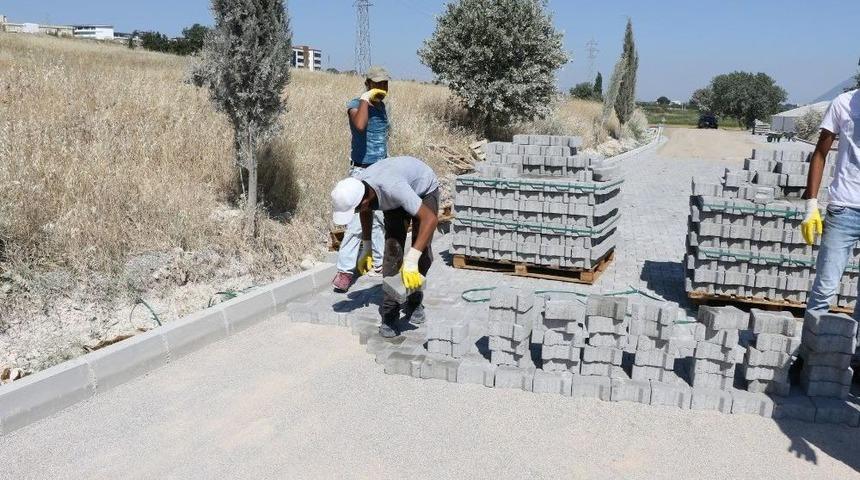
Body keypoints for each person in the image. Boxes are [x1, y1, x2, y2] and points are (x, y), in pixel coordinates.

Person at [331, 156, 439, 338]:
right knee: (392, 254)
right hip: (396, 197)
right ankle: (390, 315)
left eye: (356, 209)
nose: (358, 211)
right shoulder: (360, 188)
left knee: (422, 253)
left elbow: (430, 219)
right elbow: (365, 211)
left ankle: (414, 300)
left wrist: (412, 260)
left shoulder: (392, 188)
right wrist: (366, 246)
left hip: (423, 190)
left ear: (365, 200)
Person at [331, 66, 392, 292]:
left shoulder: (383, 107)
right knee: (357, 222)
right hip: (361, 171)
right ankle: (345, 271)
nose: (382, 88)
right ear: (367, 84)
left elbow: (384, 136)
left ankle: (378, 263)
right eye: (377, 84)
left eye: (384, 84)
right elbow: (360, 126)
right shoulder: (355, 104)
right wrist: (366, 99)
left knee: (379, 220)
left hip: (381, 169)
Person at [801, 88, 860, 319]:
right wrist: (811, 204)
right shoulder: (843, 103)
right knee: (824, 289)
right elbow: (819, 153)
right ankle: (810, 352)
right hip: (843, 208)